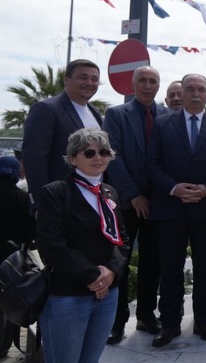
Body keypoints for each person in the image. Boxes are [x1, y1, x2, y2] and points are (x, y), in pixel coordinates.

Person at [146, 74, 206, 347]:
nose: (196, 94)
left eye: (201, 89)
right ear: (180, 93)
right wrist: (175, 188)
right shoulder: (162, 125)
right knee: (170, 268)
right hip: (171, 208)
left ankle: (204, 320)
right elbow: (152, 163)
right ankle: (170, 323)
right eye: (190, 89)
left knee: (205, 268)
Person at [36, 128, 127, 363]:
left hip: (108, 295)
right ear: (73, 158)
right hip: (68, 296)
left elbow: (122, 240)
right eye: (89, 153)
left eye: (104, 152)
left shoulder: (110, 193)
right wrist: (95, 276)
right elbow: (52, 245)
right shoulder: (55, 193)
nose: (98, 158)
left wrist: (112, 271)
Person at [102, 66, 166, 344]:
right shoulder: (116, 115)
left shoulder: (167, 115)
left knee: (153, 262)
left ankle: (146, 315)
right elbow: (111, 157)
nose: (148, 86)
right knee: (121, 262)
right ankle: (116, 322)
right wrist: (134, 195)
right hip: (127, 204)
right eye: (143, 80)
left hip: (159, 203)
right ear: (133, 84)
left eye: (153, 81)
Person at [23, 59, 103, 211]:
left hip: (92, 201)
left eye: (94, 79)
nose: (89, 82)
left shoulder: (95, 113)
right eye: (83, 77)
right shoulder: (46, 109)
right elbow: (34, 159)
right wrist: (42, 202)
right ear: (66, 79)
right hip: (60, 202)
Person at [0, 156, 34, 358]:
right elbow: (31, 232)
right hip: (12, 261)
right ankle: (4, 346)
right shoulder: (22, 198)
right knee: (9, 303)